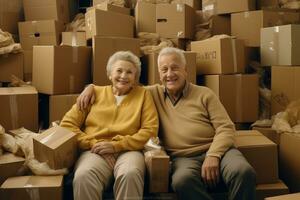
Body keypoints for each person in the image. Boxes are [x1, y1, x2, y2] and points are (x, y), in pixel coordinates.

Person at [77, 47, 256, 200]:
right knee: (181, 181)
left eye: (175, 68)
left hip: (218, 150)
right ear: (159, 74)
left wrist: (214, 155)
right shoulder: (150, 94)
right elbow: (122, 85)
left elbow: (226, 128)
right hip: (184, 157)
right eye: (164, 69)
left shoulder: (205, 94)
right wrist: (91, 87)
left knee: (243, 171)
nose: (169, 74)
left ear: (186, 70)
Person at [60, 51, 158, 200]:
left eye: (129, 72)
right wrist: (94, 143)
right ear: (110, 74)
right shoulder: (93, 93)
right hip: (94, 150)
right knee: (83, 175)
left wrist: (117, 146)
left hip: (129, 150)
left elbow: (150, 130)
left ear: (135, 78)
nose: (124, 76)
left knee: (130, 173)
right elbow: (67, 125)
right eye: (119, 70)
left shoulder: (144, 95)